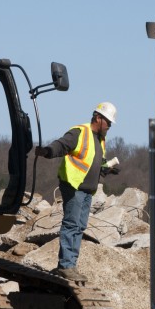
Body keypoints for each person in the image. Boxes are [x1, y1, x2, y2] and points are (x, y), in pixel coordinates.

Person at [34, 102, 120, 283]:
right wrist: (48, 151)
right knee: (72, 224)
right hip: (74, 186)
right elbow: (62, 145)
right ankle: (66, 265)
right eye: (108, 122)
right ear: (98, 118)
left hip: (87, 190)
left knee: (80, 226)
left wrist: (107, 170)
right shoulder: (80, 132)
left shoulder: (100, 139)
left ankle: (70, 264)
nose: (110, 126)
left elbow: (94, 163)